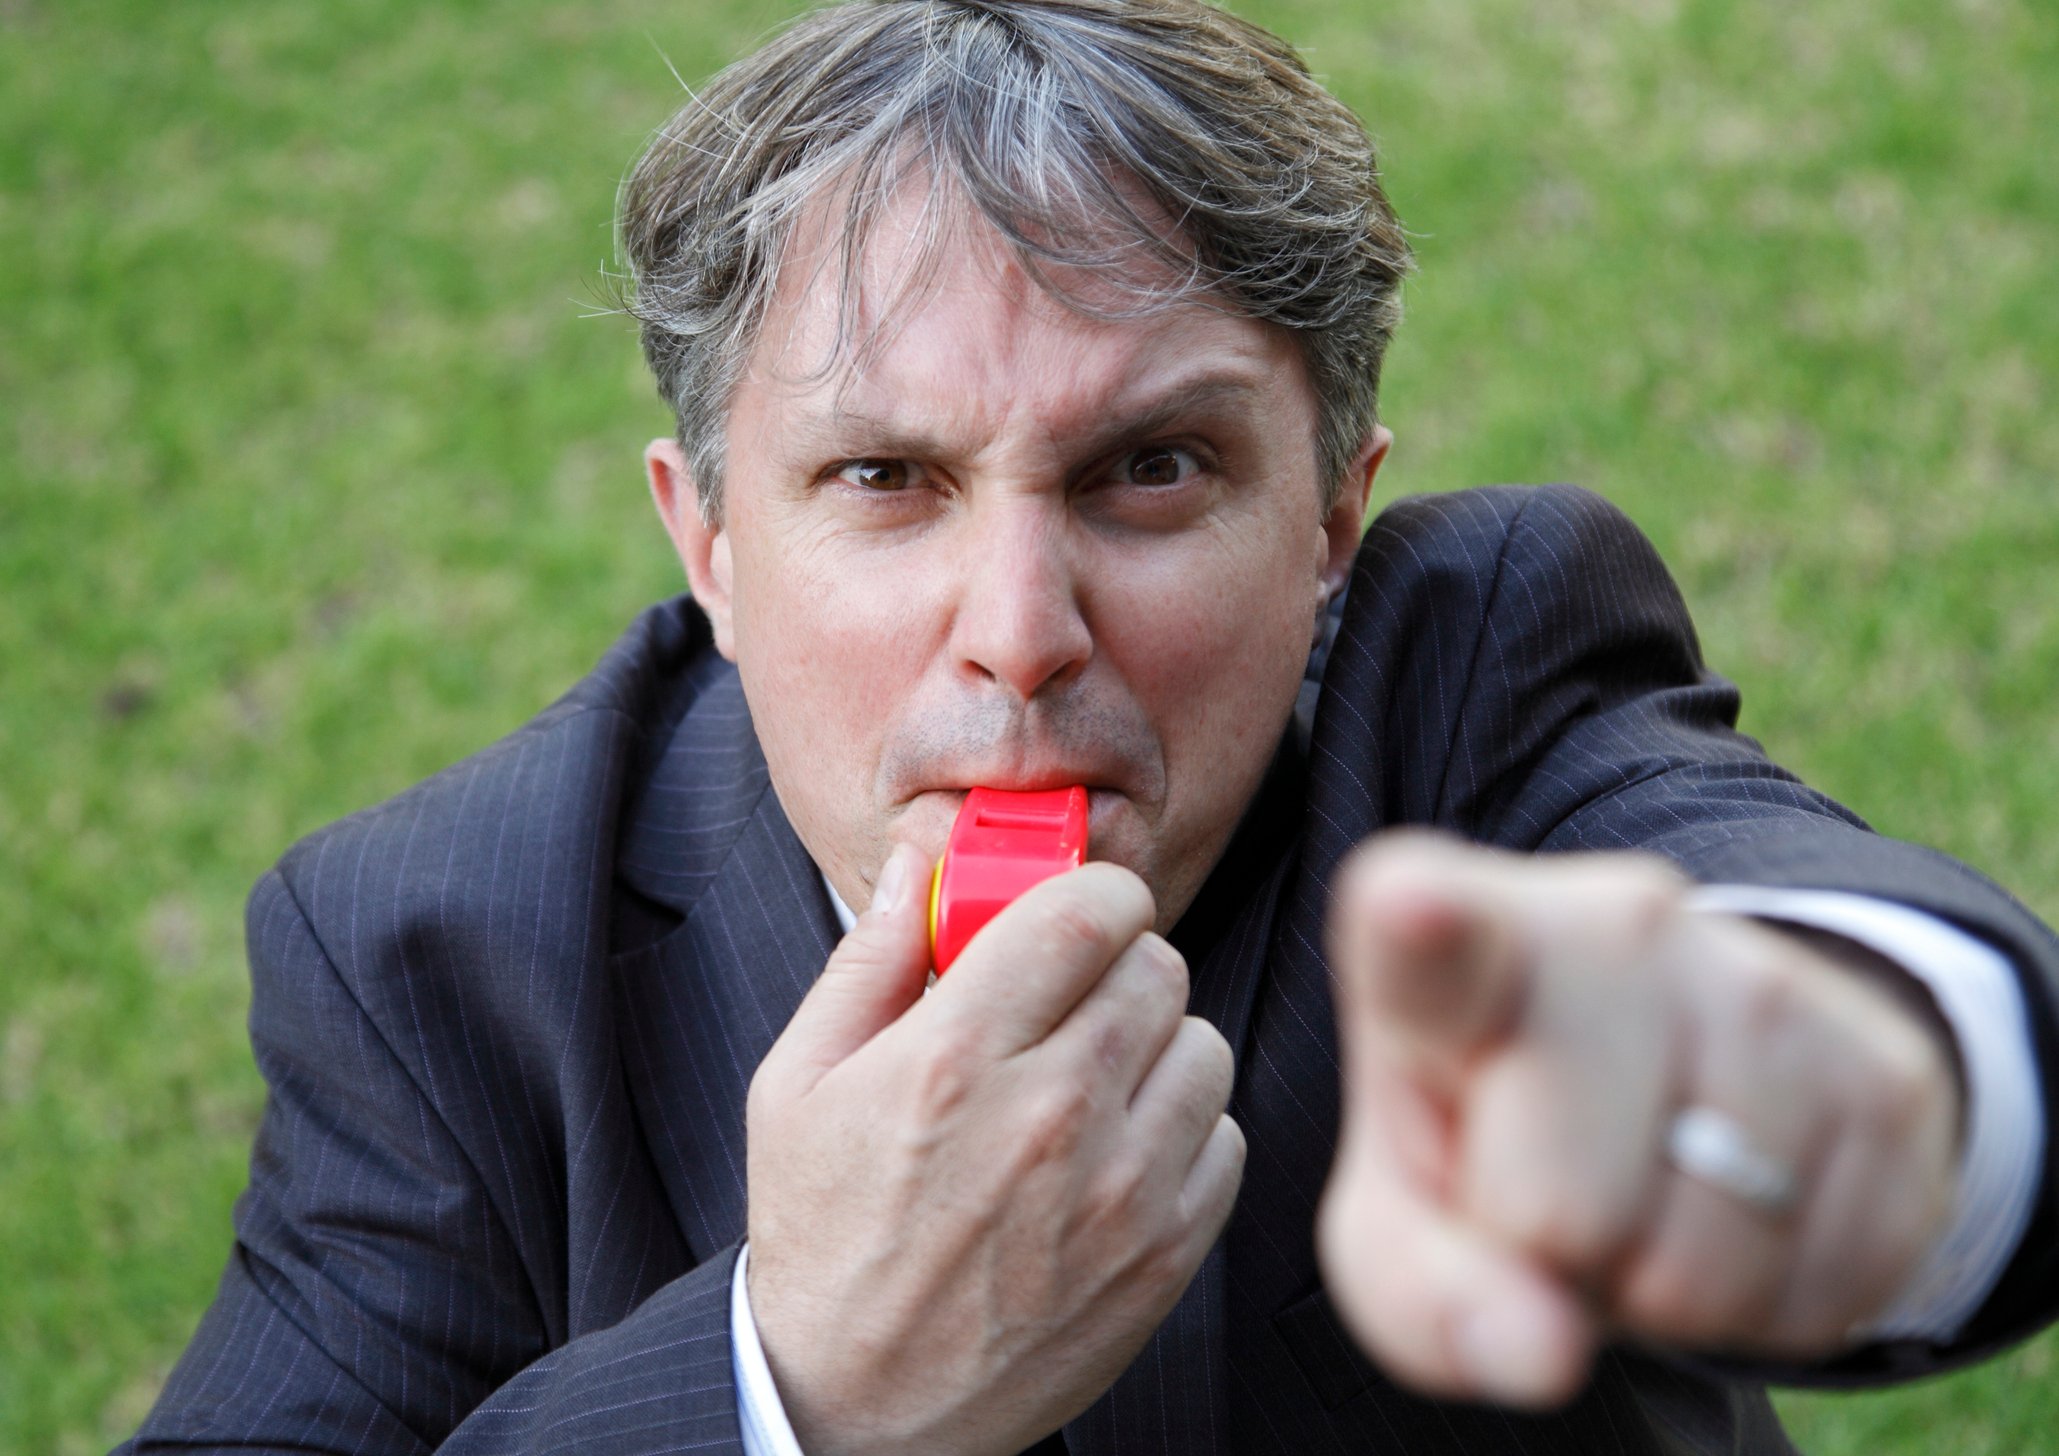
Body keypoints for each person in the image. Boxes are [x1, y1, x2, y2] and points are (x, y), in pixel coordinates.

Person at [123, 1, 2059, 1453]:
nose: (1020, 637)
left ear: (1329, 523)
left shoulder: (1464, 694)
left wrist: (1864, 1085)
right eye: (885, 477)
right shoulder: (437, 955)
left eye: (1150, 467)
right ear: (705, 538)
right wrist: (792, 1386)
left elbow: (1810, 928)